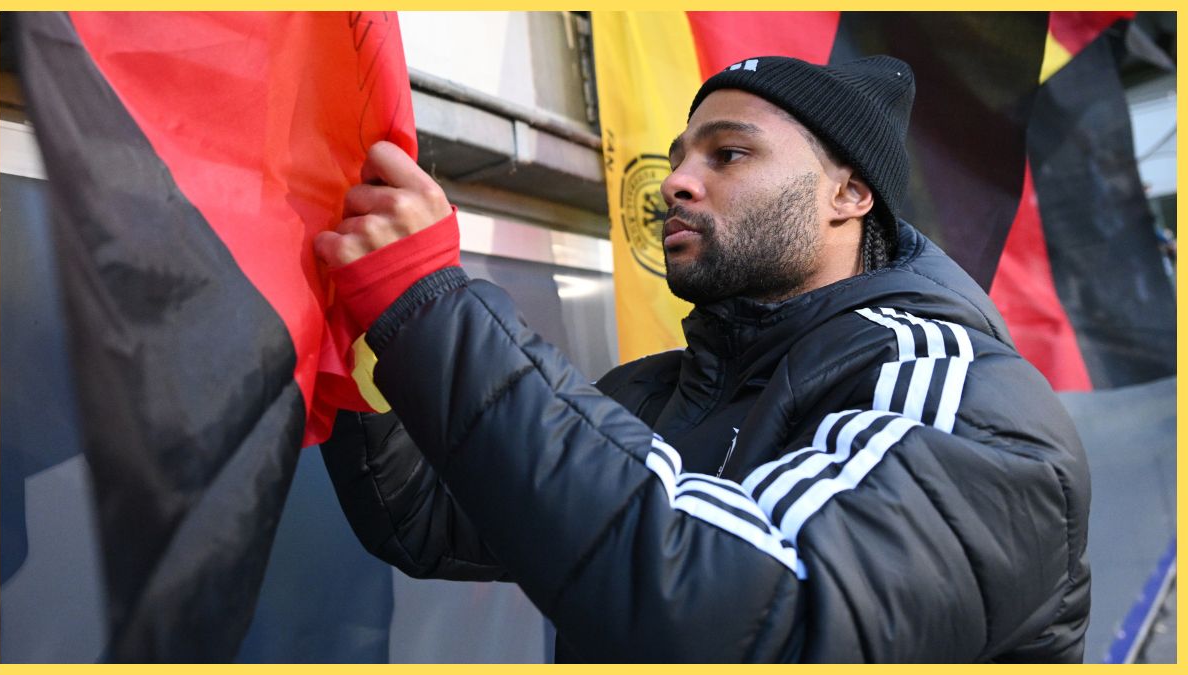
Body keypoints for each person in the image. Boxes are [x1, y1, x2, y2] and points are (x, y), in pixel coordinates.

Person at [314, 55, 1091, 662]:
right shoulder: (655, 390)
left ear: (849, 195)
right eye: (682, 155)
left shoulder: (955, 394)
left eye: (728, 155)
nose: (676, 182)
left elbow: (755, 622)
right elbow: (425, 518)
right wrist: (362, 337)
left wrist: (429, 302)